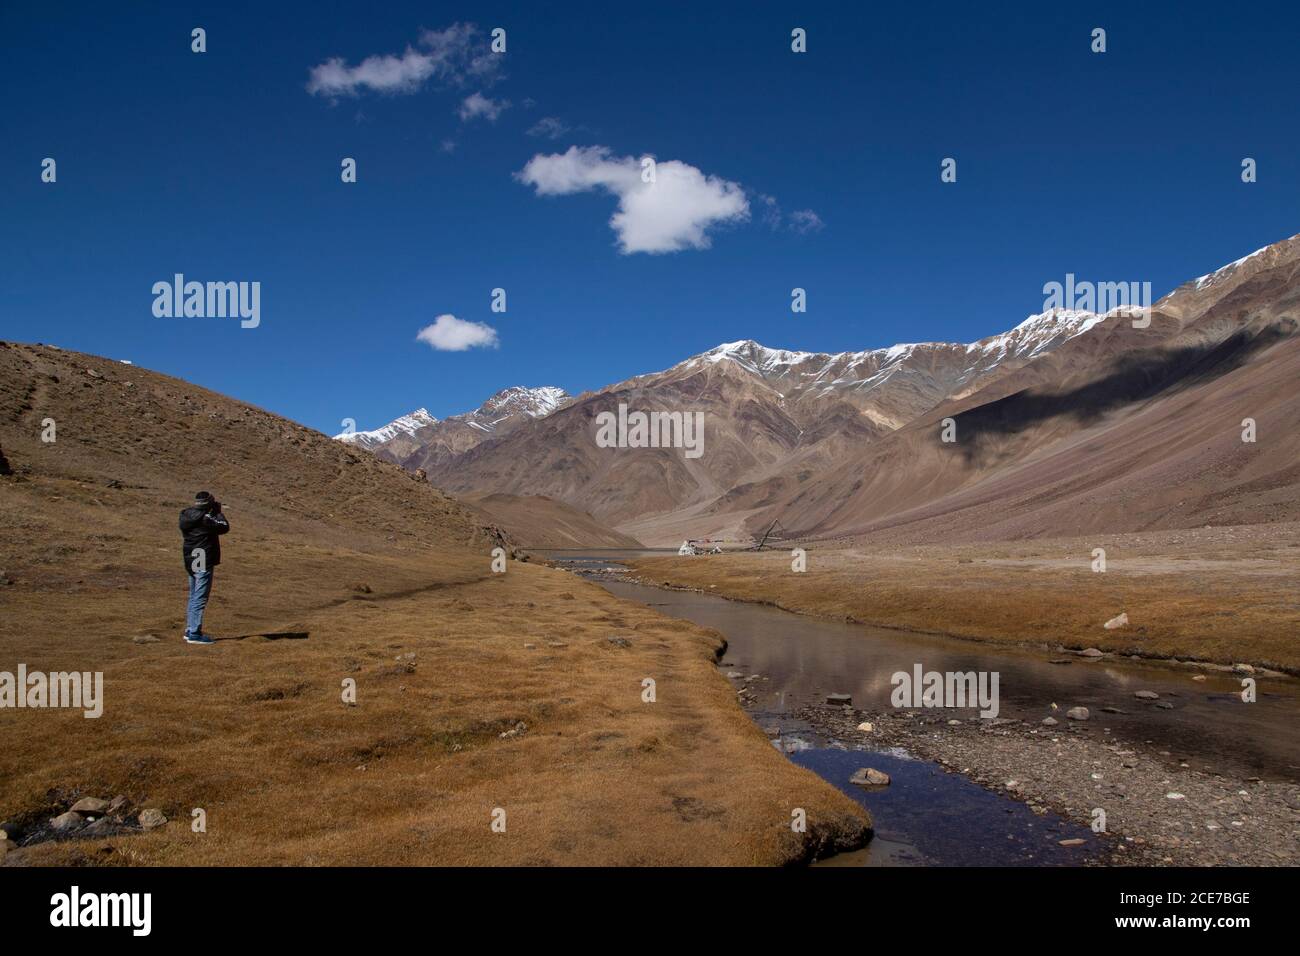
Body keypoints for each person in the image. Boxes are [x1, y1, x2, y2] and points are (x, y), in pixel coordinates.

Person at [178, 491, 229, 644]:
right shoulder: (206, 519)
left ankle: (190, 629)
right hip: (202, 556)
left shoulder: (186, 515)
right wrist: (218, 513)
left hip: (192, 554)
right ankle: (194, 632)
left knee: (194, 594)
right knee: (200, 595)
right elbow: (224, 527)